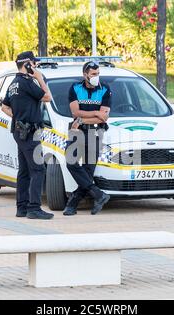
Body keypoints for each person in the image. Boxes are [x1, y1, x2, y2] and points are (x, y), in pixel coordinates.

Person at [1, 51, 54, 220]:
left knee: (24, 170)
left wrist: (18, 119)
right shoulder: (26, 82)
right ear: (27, 65)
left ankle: (21, 207)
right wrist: (39, 78)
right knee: (38, 169)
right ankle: (34, 208)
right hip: (30, 133)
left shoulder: (13, 83)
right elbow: (48, 97)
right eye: (34, 63)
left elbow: (4, 107)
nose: (36, 66)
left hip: (20, 131)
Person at [63, 61, 111, 216]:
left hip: (94, 133)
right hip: (77, 132)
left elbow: (103, 117)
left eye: (98, 74)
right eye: (93, 74)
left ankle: (73, 204)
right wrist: (95, 114)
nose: (96, 77)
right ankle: (97, 193)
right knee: (71, 162)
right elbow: (75, 112)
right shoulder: (75, 88)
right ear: (85, 75)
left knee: (88, 170)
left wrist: (84, 119)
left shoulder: (105, 89)